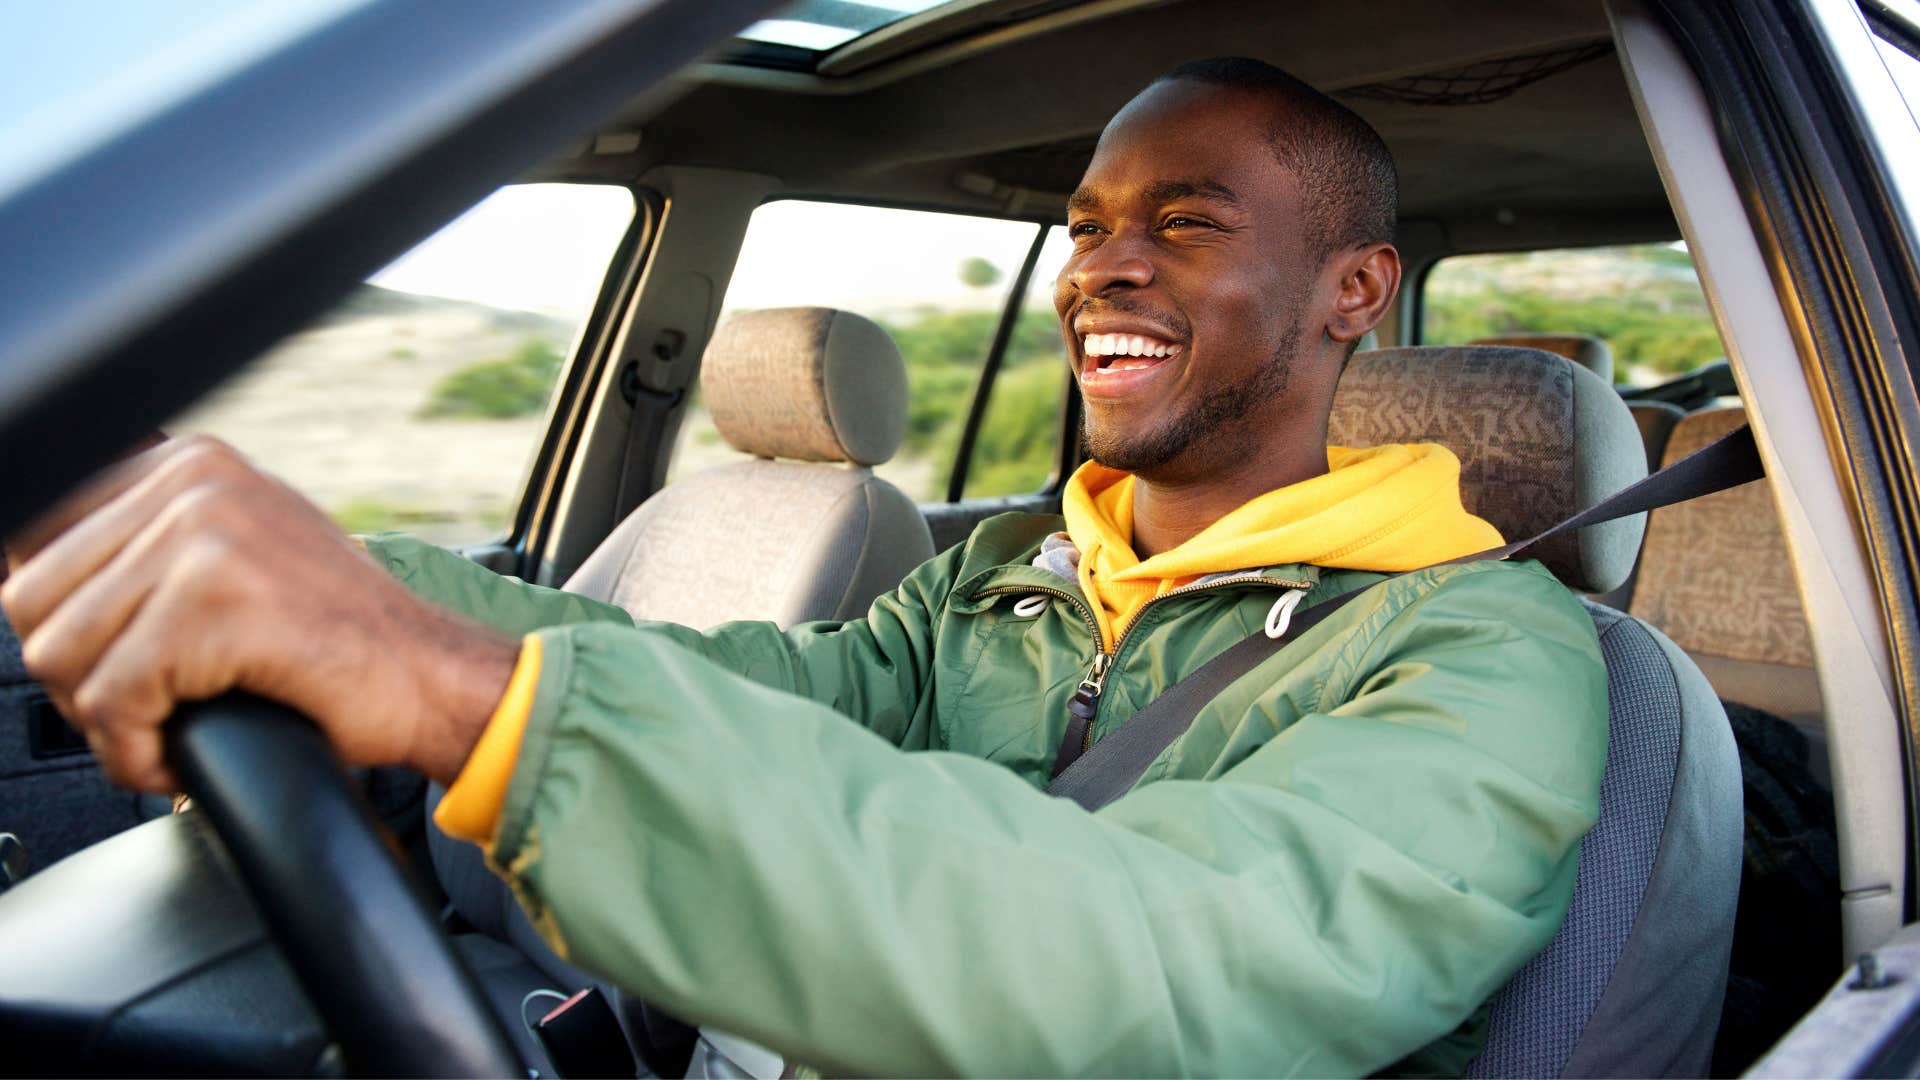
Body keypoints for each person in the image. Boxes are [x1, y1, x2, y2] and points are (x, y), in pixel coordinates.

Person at [2, 58, 1605, 1076]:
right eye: (1085, 226)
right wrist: (337, 581)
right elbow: (748, 690)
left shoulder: (1482, 659)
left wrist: (457, 691)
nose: (1102, 267)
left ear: (1354, 291)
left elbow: (1162, 966)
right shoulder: (1006, 582)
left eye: (1185, 224)